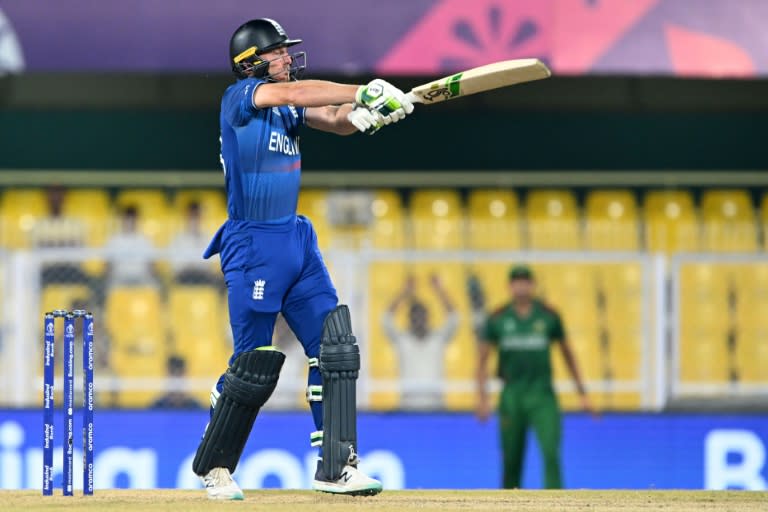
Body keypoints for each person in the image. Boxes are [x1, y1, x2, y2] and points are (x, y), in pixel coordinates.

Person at [190, 18, 414, 500]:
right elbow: (294, 96)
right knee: (253, 365)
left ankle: (336, 466)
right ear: (251, 63)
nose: (288, 59)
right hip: (252, 244)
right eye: (278, 53)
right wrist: (364, 91)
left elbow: (331, 119)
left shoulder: (287, 105)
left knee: (335, 348)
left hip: (296, 240)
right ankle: (216, 466)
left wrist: (365, 115)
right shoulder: (240, 99)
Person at [475, 264, 594, 489]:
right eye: (516, 282)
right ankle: (509, 505)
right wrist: (482, 399)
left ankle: (556, 504)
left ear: (532, 285)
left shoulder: (549, 316)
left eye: (525, 281)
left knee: (551, 452)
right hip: (511, 396)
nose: (521, 286)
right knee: (510, 460)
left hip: (543, 396)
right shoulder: (498, 318)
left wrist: (583, 394)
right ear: (509, 286)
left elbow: (568, 355)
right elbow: (482, 361)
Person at [382, 273, 458, 410]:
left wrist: (439, 290)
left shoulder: (438, 339)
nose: (418, 320)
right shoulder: (402, 340)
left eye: (422, 315)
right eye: (415, 316)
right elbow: (386, 319)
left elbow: (454, 318)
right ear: (409, 318)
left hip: (437, 406)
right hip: (407, 406)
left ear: (427, 317)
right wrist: (404, 292)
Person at [103, 205, 159, 289]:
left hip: (141, 275)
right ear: (122, 220)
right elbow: (107, 264)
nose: (130, 222)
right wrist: (108, 274)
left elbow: (151, 264)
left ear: (137, 221)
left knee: (154, 286)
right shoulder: (114, 240)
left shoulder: (145, 240)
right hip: (119, 276)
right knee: (110, 285)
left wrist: (152, 272)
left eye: (133, 219)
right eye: (127, 219)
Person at [169, 201, 220, 286]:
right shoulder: (178, 238)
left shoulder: (207, 237)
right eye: (192, 216)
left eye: (197, 216)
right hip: (184, 275)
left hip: (203, 275)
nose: (194, 220)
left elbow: (210, 262)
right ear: (186, 217)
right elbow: (175, 265)